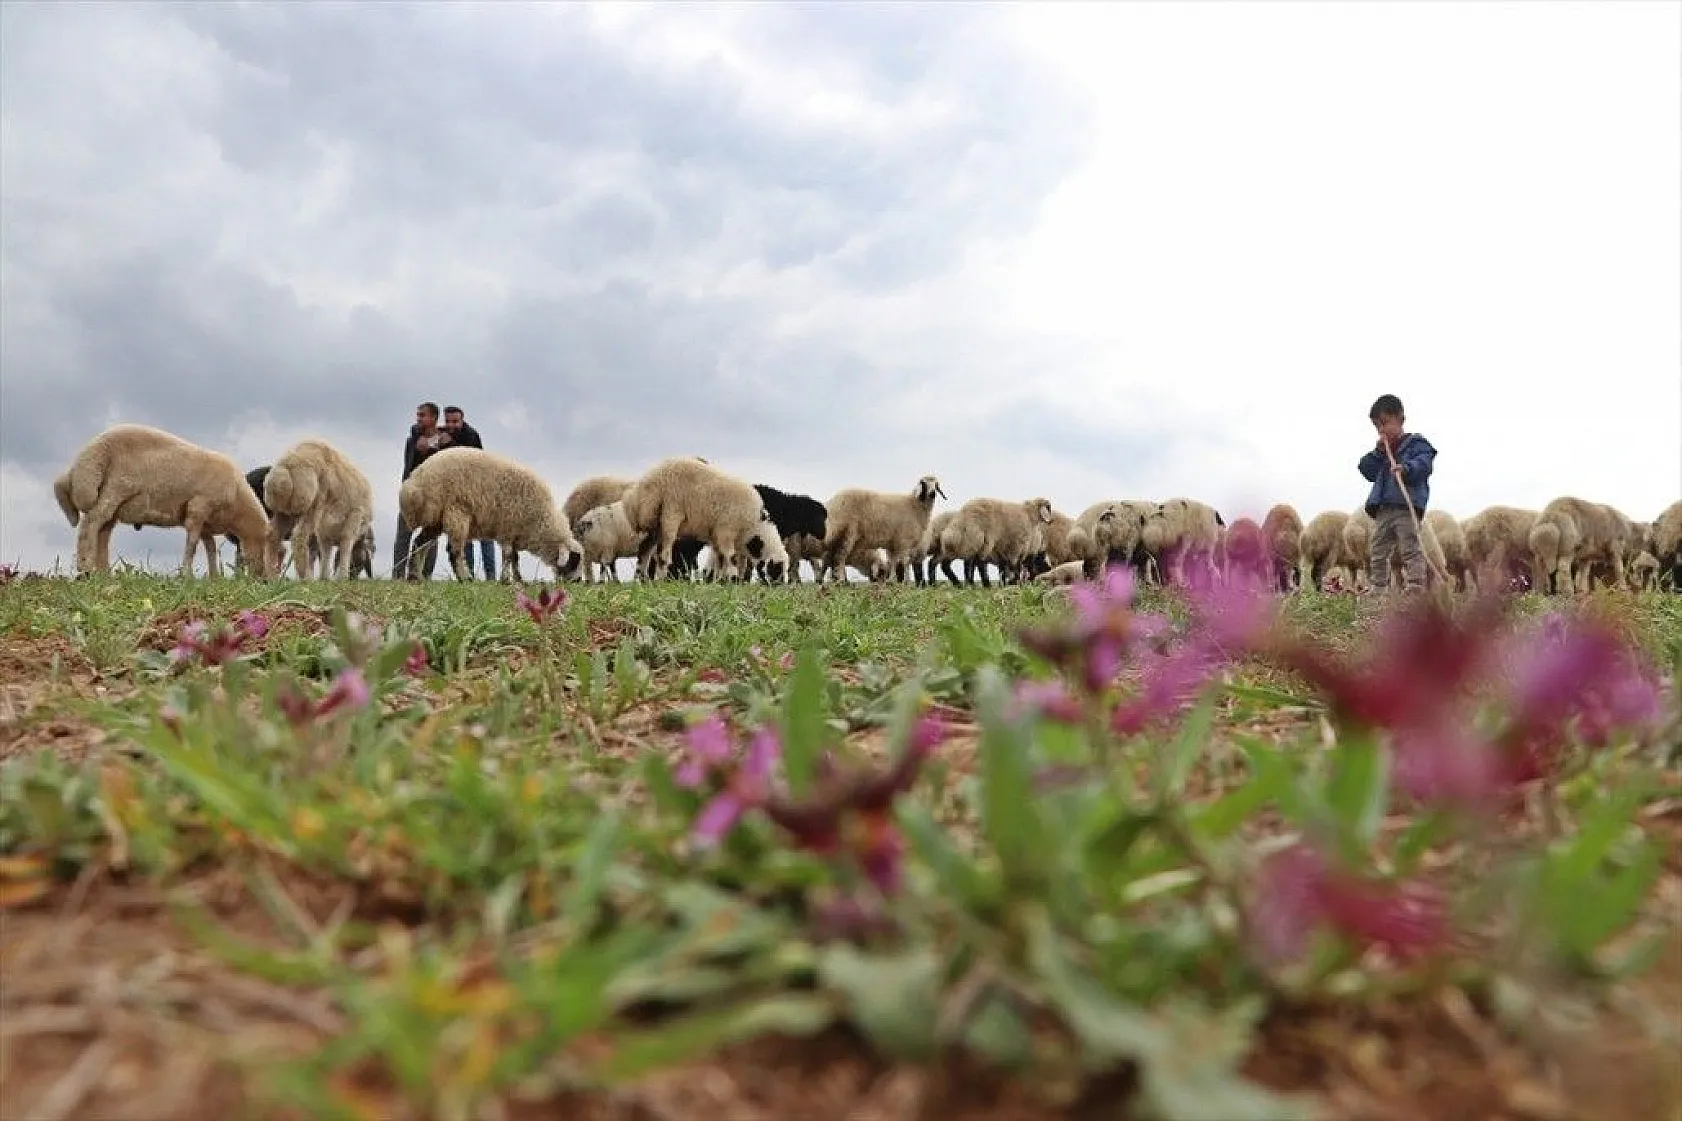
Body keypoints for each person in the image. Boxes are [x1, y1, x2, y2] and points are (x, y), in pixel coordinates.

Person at [1357, 393, 1437, 595]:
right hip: (1384, 508)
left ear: (1400, 419)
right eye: (1377, 427)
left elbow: (1425, 464)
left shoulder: (1416, 444)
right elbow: (1366, 470)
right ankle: (1379, 587)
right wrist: (1378, 453)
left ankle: (1416, 585)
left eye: (1384, 423)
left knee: (1410, 546)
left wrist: (1407, 469)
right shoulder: (1384, 452)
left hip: (1405, 505)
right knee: (1377, 549)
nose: (1381, 430)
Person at [392, 401, 451, 580]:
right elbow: (414, 453)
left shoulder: (446, 441)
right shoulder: (413, 439)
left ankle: (424, 574)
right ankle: (398, 574)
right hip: (412, 492)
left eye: (422, 415)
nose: (418, 418)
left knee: (430, 536)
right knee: (403, 533)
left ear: (433, 417)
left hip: (434, 495)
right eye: (418, 415)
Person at [441, 405, 497, 580]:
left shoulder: (471, 435)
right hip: (457, 495)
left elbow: (473, 462)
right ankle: (469, 574)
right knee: (463, 534)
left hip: (478, 492)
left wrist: (450, 444)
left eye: (455, 421)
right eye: (448, 421)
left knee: (485, 535)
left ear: (462, 419)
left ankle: (490, 575)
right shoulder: (442, 433)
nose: (451, 425)